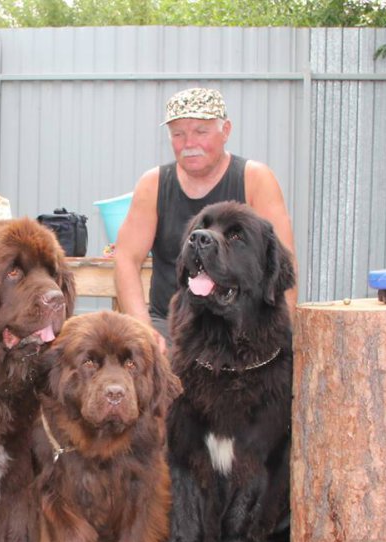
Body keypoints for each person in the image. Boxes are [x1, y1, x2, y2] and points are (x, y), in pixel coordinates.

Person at [113, 87, 298, 353]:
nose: (189, 143)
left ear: (226, 131)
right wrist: (143, 331)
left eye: (201, 131)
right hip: (173, 324)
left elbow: (283, 260)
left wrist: (279, 335)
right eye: (178, 134)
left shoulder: (256, 179)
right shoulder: (153, 184)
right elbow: (126, 258)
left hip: (243, 325)